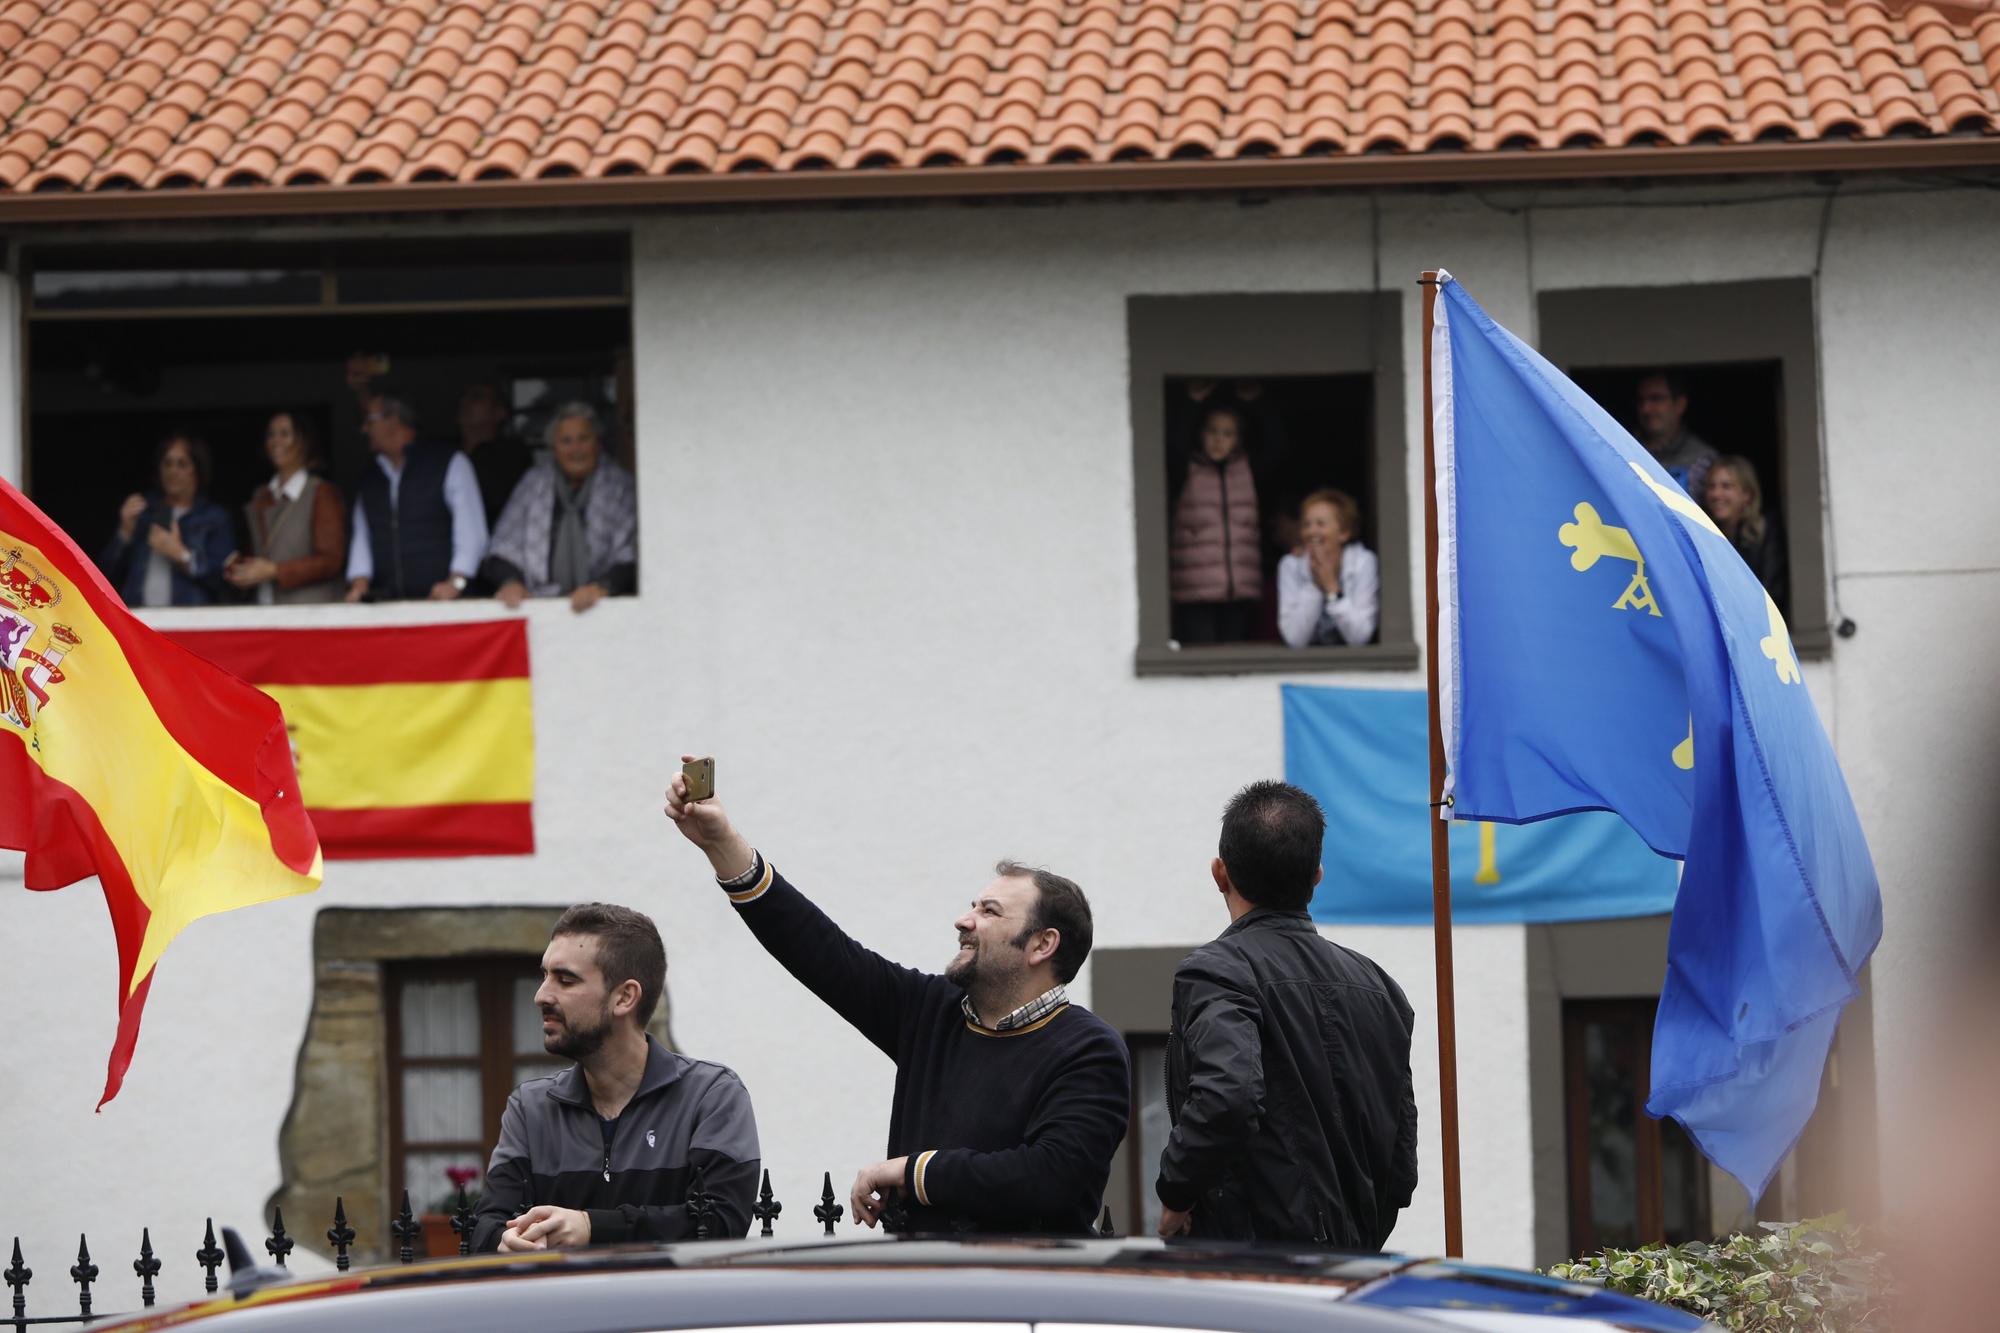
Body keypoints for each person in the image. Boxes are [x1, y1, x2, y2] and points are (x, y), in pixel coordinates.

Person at [663, 765, 1130, 1235]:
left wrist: (914, 1172)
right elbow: (818, 950)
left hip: (1025, 1296)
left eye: (989, 912)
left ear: (1041, 945)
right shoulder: (930, 1011)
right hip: (919, 1290)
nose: (963, 921)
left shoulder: (1089, 1049)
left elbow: (1052, 1178)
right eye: (972, 906)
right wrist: (720, 844)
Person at [1156, 781, 1417, 1249]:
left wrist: (1176, 1192)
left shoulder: (1217, 971)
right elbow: (1401, 1163)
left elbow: (1228, 1096)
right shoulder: (1380, 987)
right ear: (1317, 875)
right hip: (1356, 1268)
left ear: (1220, 873)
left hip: (1256, 1270)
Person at [471, 902, 760, 1252]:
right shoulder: (530, 1108)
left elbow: (719, 1225)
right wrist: (505, 1241)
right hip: (562, 1306)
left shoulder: (711, 1096)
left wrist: (592, 1226)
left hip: (673, 1306)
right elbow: (484, 1227)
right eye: (544, 975)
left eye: (565, 979)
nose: (541, 995)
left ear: (624, 997)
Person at [480, 403, 637, 614]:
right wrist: (511, 582)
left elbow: (632, 553)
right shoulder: (533, 483)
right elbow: (503, 547)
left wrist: (600, 587)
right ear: (553, 448)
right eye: (566, 441)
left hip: (603, 607)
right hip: (538, 605)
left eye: (584, 439)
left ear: (598, 443)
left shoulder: (620, 485)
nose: (576, 449)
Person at [343, 394, 488, 603]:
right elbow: (362, 539)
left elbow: (472, 533)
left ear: (393, 420)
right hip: (387, 607)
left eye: (369, 421)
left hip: (445, 605)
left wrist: (456, 583)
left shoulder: (448, 463)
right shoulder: (369, 478)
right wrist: (359, 586)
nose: (364, 429)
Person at [97, 431, 234, 608]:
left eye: (181, 464)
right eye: (167, 463)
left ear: (197, 470)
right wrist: (124, 533)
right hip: (140, 623)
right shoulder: (143, 513)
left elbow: (225, 581)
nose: (173, 471)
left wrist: (182, 556)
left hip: (190, 626)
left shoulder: (213, 518)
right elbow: (103, 578)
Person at [225, 412, 346, 605]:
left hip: (309, 612)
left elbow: (331, 560)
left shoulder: (320, 493)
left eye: (284, 433)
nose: (276, 441)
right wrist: (242, 570)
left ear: (304, 442)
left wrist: (276, 571)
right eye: (271, 434)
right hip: (265, 609)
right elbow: (259, 552)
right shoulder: (261, 496)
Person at [1170, 402, 1265, 644]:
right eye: (1212, 431)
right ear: (1200, 434)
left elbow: (1277, 444)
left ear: (1239, 439)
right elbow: (1174, 444)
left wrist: (1258, 401)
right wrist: (1190, 402)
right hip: (1195, 590)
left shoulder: (1249, 470)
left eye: (1227, 434)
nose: (1218, 440)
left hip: (1240, 588)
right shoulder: (1186, 468)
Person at [1276, 489, 1380, 648]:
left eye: (1320, 524)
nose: (1311, 532)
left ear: (1344, 533)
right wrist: (1315, 584)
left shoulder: (1363, 562)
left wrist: (1331, 587)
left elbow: (1360, 637)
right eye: (1306, 524)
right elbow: (1294, 639)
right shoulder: (1291, 565)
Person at [1702, 453, 1788, 616]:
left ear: (1747, 495)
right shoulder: (1704, 535)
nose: (1716, 494)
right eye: (1711, 487)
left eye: (1726, 486)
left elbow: (1772, 593)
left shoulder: (1765, 532)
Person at [458, 381, 533, 529]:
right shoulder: (445, 454)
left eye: (476, 397)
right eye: (463, 397)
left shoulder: (512, 455)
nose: (465, 402)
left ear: (500, 412)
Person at [1633, 371, 1717, 498]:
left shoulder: (1702, 459)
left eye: (1656, 399)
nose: (1646, 408)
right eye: (1641, 400)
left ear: (1680, 404)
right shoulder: (1623, 449)